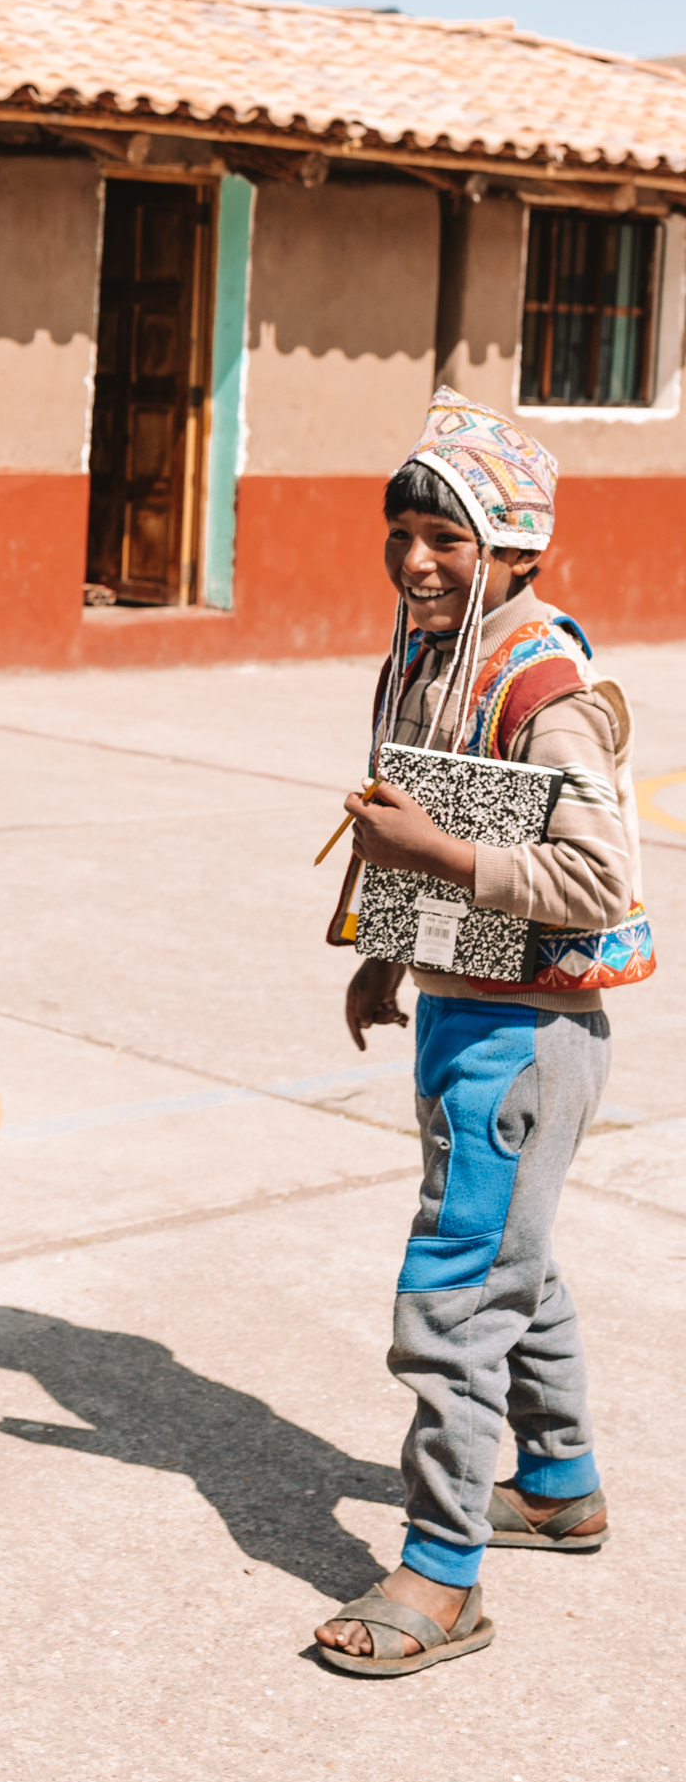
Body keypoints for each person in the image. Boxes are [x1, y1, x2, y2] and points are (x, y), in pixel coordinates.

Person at [314, 392, 650, 1675]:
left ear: (516, 549)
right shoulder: (433, 653)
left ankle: (440, 1573)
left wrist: (435, 855)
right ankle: (557, 1485)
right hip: (465, 1017)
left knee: (451, 1297)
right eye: (401, 530)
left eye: (445, 538)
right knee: (520, 1260)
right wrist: (384, 957)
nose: (414, 560)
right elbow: (423, 817)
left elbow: (589, 880)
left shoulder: (542, 683)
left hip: (526, 1039)